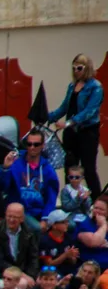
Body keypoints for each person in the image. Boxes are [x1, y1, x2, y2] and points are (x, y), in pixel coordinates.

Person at [51, 54, 103, 199]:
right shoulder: (72, 86)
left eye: (79, 68)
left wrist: (68, 123)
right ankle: (70, 200)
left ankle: (96, 202)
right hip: (71, 132)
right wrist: (48, 117)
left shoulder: (95, 87)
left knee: (88, 169)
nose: (76, 71)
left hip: (87, 132)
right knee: (69, 166)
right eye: (74, 68)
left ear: (87, 68)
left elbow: (89, 111)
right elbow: (64, 107)